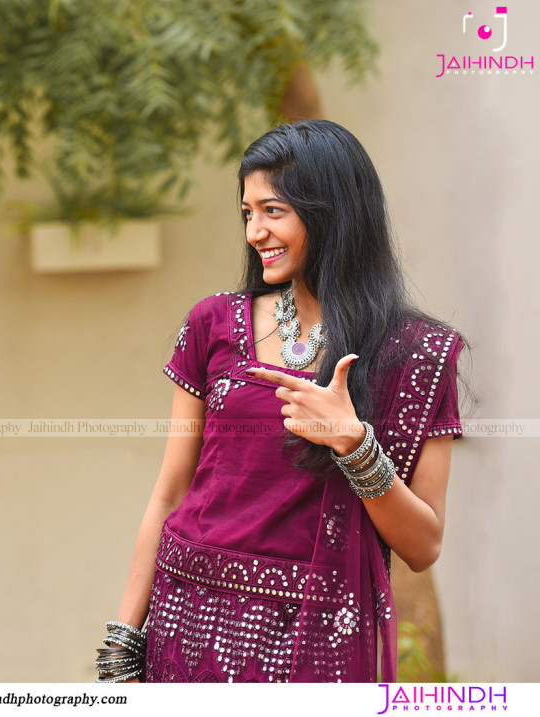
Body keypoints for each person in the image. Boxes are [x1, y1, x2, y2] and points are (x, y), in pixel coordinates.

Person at [97, 121, 464, 683]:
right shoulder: (212, 322)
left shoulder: (416, 354)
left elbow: (423, 544)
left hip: (311, 641)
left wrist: (356, 446)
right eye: (247, 213)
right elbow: (170, 491)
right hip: (187, 626)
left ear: (331, 212)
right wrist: (122, 646)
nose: (254, 231)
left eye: (273, 210)